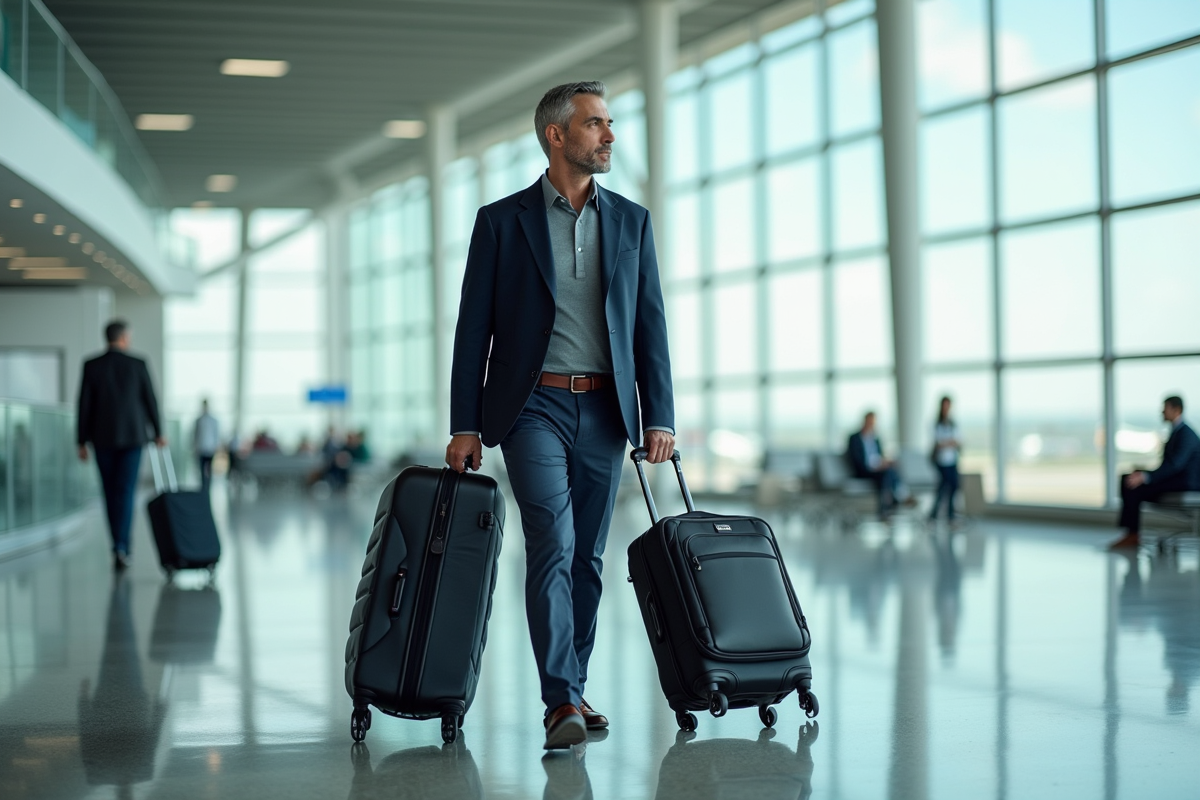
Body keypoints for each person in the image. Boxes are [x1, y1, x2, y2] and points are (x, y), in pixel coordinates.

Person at [445, 81, 674, 750]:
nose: (608, 135)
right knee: (553, 541)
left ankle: (571, 688)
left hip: (607, 409)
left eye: (609, 123)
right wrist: (465, 421)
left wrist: (658, 415)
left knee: (589, 559)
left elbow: (649, 326)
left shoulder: (632, 221)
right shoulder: (501, 221)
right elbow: (472, 330)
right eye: (595, 124)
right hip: (532, 406)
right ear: (556, 135)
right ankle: (560, 701)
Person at [76, 320, 165, 570]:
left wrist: (81, 441)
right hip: (133, 438)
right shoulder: (138, 364)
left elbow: (84, 405)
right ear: (124, 338)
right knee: (125, 491)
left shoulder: (91, 365)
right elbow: (151, 400)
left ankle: (117, 544)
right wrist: (159, 432)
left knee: (109, 492)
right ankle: (123, 546)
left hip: (101, 439)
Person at [1109, 396, 1200, 550]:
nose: (1162, 412)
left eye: (1165, 409)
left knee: (1133, 485)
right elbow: (1169, 465)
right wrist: (1143, 472)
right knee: (1129, 477)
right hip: (1175, 479)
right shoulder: (1177, 432)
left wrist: (1146, 476)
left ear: (1176, 410)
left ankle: (1132, 534)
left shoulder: (1186, 434)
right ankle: (1131, 533)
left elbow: (1175, 465)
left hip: (1185, 483)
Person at [846, 411, 912, 518]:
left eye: (873, 422)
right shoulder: (854, 438)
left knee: (890, 471)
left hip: (878, 470)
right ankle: (897, 499)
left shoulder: (876, 439)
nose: (871, 425)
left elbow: (879, 455)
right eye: (870, 422)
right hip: (863, 470)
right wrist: (875, 465)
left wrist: (884, 462)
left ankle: (886, 506)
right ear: (865, 421)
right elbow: (857, 460)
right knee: (887, 473)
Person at [929, 396, 961, 523]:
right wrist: (949, 442)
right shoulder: (935, 424)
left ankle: (948, 515)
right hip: (941, 462)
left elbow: (958, 441)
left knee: (954, 486)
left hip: (952, 460)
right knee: (943, 488)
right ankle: (935, 516)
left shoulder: (953, 424)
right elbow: (937, 443)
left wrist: (947, 443)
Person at [193, 399, 220, 494]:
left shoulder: (213, 420)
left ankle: (208, 486)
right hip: (200, 449)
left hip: (210, 449)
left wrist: (216, 446)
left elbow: (216, 434)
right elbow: (195, 435)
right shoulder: (198, 420)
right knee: (201, 469)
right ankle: (203, 486)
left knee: (209, 469)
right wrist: (194, 447)